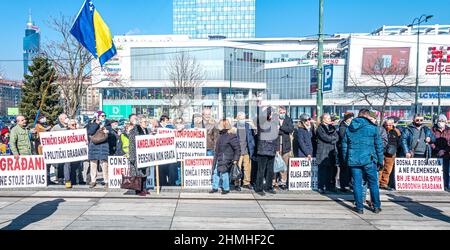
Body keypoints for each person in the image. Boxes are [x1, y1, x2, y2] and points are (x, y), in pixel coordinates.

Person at [342, 109, 384, 214]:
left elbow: (344, 146)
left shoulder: (349, 128)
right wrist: (380, 160)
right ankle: (376, 206)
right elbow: (379, 146)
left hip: (354, 160)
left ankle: (359, 207)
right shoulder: (373, 128)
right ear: (367, 116)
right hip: (369, 160)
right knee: (373, 183)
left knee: (357, 184)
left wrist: (345, 159)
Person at [210, 119, 240, 195]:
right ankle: (215, 187)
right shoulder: (221, 135)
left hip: (226, 158)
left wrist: (236, 159)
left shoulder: (231, 136)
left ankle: (226, 188)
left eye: (220, 124)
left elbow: (237, 149)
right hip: (218, 157)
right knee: (215, 172)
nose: (218, 126)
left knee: (224, 173)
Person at [255, 106, 279, 196]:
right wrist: (269, 108)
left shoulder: (273, 124)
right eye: (271, 114)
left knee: (270, 171)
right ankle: (259, 188)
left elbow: (276, 138)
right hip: (263, 150)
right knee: (261, 170)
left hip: (271, 150)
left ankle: (269, 187)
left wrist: (277, 149)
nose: (273, 116)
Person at [87, 111, 112, 188]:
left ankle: (106, 181)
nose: (104, 117)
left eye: (104, 115)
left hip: (103, 145)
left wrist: (107, 131)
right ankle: (93, 180)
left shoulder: (107, 123)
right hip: (94, 145)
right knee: (93, 163)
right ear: (97, 117)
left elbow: (110, 132)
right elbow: (90, 132)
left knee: (104, 164)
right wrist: (96, 124)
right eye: (102, 116)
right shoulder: (92, 123)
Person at [128, 115, 151, 196]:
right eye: (145, 122)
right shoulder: (134, 131)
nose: (146, 123)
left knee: (145, 173)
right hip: (136, 155)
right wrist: (132, 157)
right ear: (140, 123)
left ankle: (144, 188)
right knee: (138, 174)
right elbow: (131, 145)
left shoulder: (146, 130)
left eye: (146, 121)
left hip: (145, 155)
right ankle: (138, 190)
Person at [316, 113, 339, 193]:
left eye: (330, 118)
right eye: (328, 118)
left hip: (330, 152)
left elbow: (337, 137)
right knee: (322, 171)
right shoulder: (320, 128)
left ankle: (329, 186)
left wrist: (332, 139)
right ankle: (321, 186)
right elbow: (325, 137)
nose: (330, 120)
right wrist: (333, 139)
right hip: (323, 151)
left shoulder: (332, 127)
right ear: (324, 119)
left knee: (330, 170)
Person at [234, 112, 256, 191]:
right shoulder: (234, 127)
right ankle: (237, 183)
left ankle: (246, 183)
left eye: (243, 118)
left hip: (247, 150)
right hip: (238, 152)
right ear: (237, 118)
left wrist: (252, 146)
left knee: (247, 168)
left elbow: (251, 137)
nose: (242, 120)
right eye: (241, 119)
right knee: (237, 168)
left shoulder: (248, 126)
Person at [275, 106, 294, 190]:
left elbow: (290, 129)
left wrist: (281, 128)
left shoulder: (288, 119)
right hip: (277, 146)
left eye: (283, 112)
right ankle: (274, 182)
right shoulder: (274, 119)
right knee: (275, 164)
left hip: (286, 146)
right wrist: (281, 130)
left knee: (284, 165)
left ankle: (283, 181)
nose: (282, 114)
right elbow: (274, 130)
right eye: (280, 112)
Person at [379, 118, 402, 191]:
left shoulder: (396, 131)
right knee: (380, 168)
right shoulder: (381, 129)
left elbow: (399, 141)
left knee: (388, 169)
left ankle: (384, 183)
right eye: (387, 124)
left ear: (393, 124)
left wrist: (395, 148)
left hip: (391, 152)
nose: (388, 126)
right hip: (381, 151)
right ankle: (377, 183)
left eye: (390, 125)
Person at [431, 115, 450, 191]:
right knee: (435, 171)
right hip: (435, 154)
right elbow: (431, 142)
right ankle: (435, 186)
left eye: (443, 121)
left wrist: (444, 150)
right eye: (439, 121)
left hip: (446, 154)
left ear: (445, 122)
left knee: (446, 171)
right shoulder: (433, 130)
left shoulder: (449, 130)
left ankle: (445, 185)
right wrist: (438, 150)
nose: (441, 123)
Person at [337, 112, 354, 192]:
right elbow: (343, 136)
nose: (352, 120)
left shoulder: (350, 126)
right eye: (350, 118)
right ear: (347, 119)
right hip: (343, 150)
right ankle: (343, 185)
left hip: (349, 150)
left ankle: (349, 184)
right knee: (343, 168)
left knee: (350, 169)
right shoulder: (343, 127)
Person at [51, 113, 69, 184]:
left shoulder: (70, 126)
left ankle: (68, 179)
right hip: (60, 150)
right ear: (61, 120)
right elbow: (50, 136)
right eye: (65, 118)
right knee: (60, 165)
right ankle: (60, 179)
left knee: (68, 166)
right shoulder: (56, 127)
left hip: (68, 149)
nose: (67, 119)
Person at [64, 119, 81, 189]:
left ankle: (74, 181)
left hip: (76, 152)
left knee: (75, 166)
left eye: (75, 124)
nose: (75, 126)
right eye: (73, 125)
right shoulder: (65, 132)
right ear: (69, 126)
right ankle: (67, 181)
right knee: (67, 166)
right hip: (67, 152)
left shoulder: (78, 132)